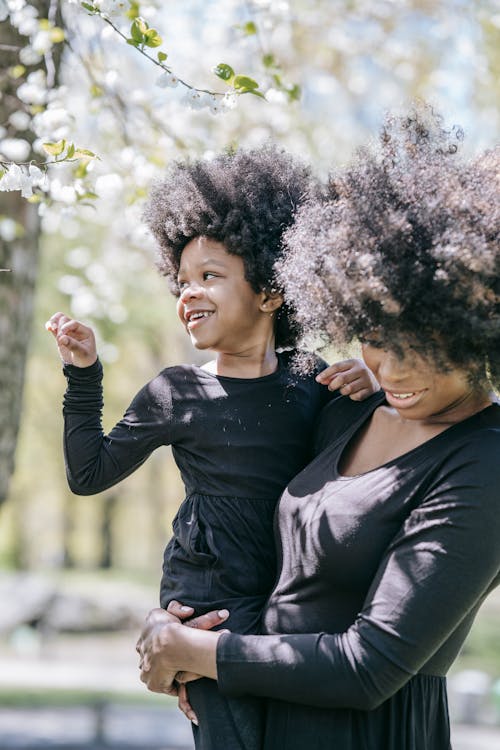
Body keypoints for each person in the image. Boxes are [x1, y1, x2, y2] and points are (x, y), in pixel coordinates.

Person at [136, 107, 500, 750]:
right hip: (261, 716)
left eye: (429, 341)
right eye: (378, 337)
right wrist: (186, 608)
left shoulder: (484, 462)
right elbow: (250, 524)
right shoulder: (346, 408)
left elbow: (371, 667)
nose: (395, 367)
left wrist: (191, 649)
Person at [46, 145, 378, 750]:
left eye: (210, 276)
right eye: (182, 281)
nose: (188, 293)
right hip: (206, 606)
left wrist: (373, 382)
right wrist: (85, 374)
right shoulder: (176, 392)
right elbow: (87, 473)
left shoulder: (312, 381)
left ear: (273, 290)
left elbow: (369, 471)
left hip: (291, 605)